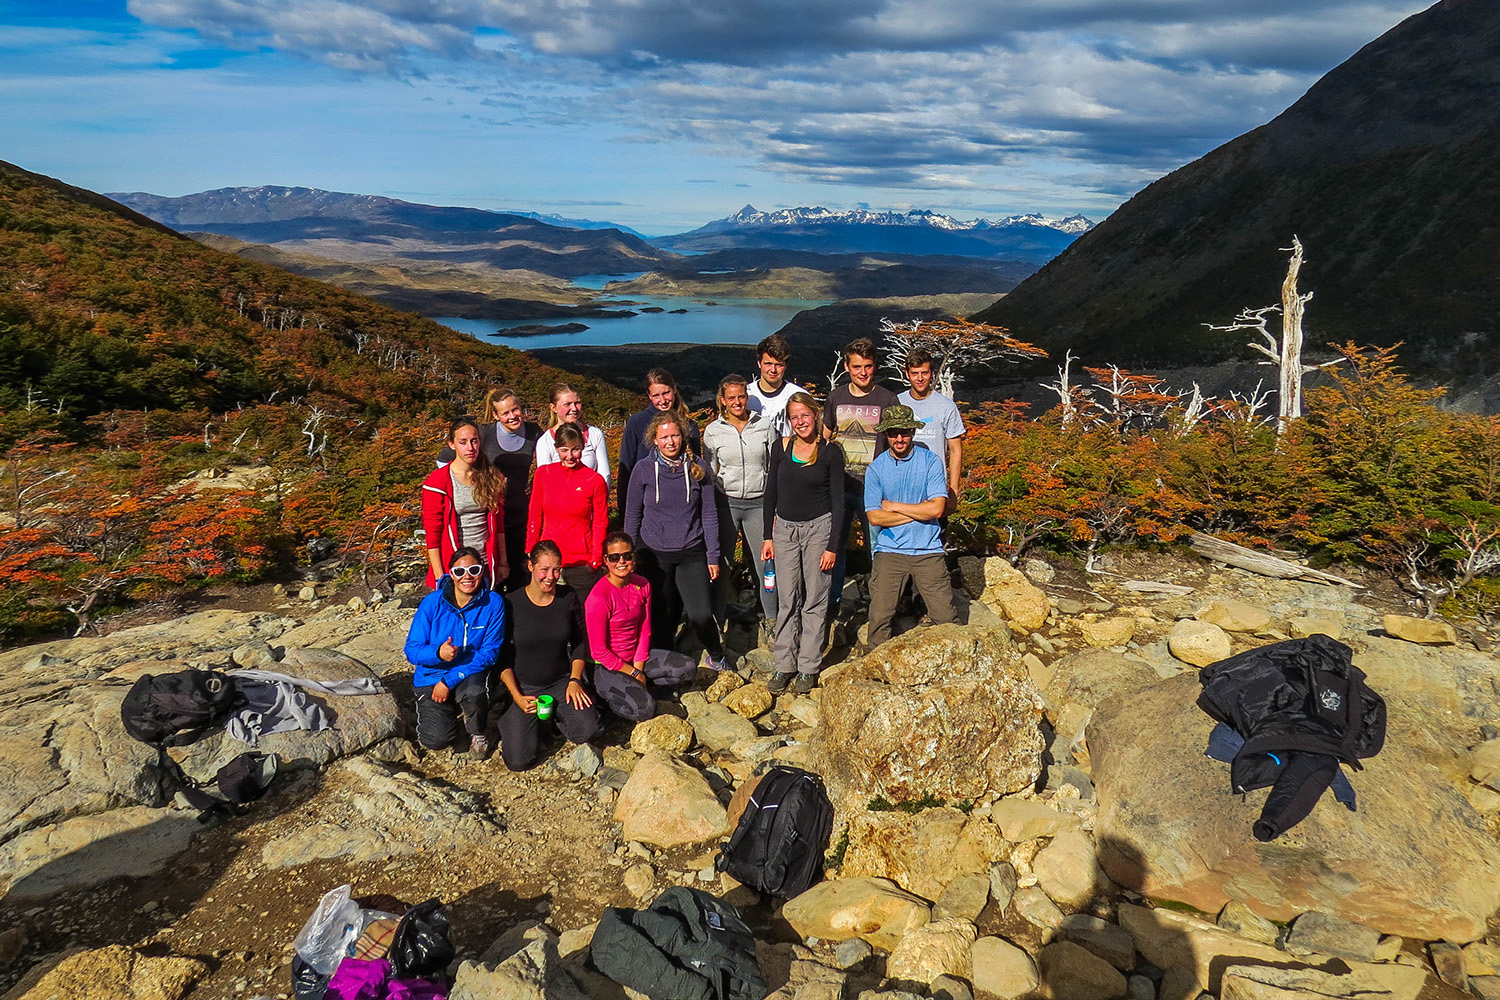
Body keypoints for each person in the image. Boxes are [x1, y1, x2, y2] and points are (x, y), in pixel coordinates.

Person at [623, 412, 729, 671]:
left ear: (683, 436)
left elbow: (709, 514)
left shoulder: (699, 469)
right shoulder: (644, 469)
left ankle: (717, 656)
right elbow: (632, 513)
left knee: (701, 615)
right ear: (654, 440)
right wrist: (629, 554)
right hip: (654, 553)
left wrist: (713, 555)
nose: (670, 441)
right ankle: (668, 667)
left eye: (675, 435)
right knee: (662, 615)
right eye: (664, 437)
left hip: (691, 551)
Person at [761, 393, 844, 693]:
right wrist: (767, 537)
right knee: (787, 598)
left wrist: (832, 545)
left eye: (804, 415)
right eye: (794, 417)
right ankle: (784, 665)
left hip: (818, 530)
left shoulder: (831, 453)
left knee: (815, 599)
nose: (800, 421)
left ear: (815, 414)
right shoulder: (781, 448)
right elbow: (770, 492)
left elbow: (838, 501)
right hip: (783, 530)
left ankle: (808, 666)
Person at [497, 540, 599, 771]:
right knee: (518, 761)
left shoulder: (567, 597)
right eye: (544, 569)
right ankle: (517, 718)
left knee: (587, 731)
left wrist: (575, 680)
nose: (551, 576)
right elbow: (501, 657)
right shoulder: (511, 603)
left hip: (561, 682)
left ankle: (553, 716)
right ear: (530, 566)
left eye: (556, 569)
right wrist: (516, 695)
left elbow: (580, 642)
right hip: (524, 687)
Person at [864, 405, 959, 648]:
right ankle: (874, 670)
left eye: (904, 432)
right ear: (886, 434)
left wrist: (894, 506)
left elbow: (937, 509)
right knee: (879, 617)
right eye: (894, 433)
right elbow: (875, 518)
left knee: (946, 619)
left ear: (912, 432)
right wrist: (920, 510)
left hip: (928, 550)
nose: (899, 438)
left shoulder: (931, 462)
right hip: (890, 550)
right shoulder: (876, 469)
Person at [438, 387, 544, 592]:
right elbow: (444, 458)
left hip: (522, 514)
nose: (513, 416)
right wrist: (467, 485)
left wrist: (537, 477)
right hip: (493, 515)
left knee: (521, 572)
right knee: (493, 576)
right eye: (505, 413)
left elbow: (550, 456)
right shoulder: (485, 433)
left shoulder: (534, 431)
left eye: (515, 409)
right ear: (495, 415)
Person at [586, 532, 699, 721]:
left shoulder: (643, 585)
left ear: (633, 557)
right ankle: (608, 698)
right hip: (608, 666)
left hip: (637, 658)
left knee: (688, 668)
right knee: (645, 710)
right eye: (614, 557)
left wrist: (637, 668)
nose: (621, 561)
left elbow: (644, 630)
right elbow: (598, 651)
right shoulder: (599, 597)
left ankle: (636, 689)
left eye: (627, 556)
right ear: (606, 560)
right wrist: (632, 673)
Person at [404, 547, 506, 756]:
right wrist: (437, 653)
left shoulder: (493, 603)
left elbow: (489, 652)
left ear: (482, 571)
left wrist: (448, 681)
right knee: (436, 740)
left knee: (475, 692)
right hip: (431, 675)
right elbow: (412, 650)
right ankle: (449, 711)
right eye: (459, 572)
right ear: (450, 573)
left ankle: (476, 730)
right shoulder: (432, 603)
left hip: (469, 671)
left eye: (474, 570)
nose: (467, 577)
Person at [823, 337, 899, 612]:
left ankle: (882, 603)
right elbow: (826, 437)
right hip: (840, 486)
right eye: (856, 367)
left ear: (874, 366)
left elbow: (897, 443)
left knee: (878, 548)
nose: (863, 372)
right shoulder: (836, 397)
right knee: (836, 546)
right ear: (846, 366)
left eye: (867, 366)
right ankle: (833, 601)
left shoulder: (888, 399)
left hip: (874, 488)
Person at [703, 374, 777, 639]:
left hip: (759, 502)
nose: (737, 402)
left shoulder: (764, 426)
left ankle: (772, 618)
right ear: (722, 400)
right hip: (727, 503)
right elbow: (710, 473)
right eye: (731, 397)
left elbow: (773, 465)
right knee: (720, 564)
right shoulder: (713, 430)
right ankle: (716, 618)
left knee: (766, 563)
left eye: (741, 396)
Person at [422, 417, 508, 589]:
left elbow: (499, 526)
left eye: (474, 441)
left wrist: (503, 563)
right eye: (463, 442)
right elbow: (433, 534)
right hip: (455, 565)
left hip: (485, 562)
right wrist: (440, 577)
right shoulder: (438, 482)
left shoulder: (492, 477)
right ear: (452, 444)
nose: (470, 447)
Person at [526, 422, 608, 596]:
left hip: (581, 562)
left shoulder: (594, 480)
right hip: (548, 561)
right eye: (564, 450)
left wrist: (595, 559)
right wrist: (531, 549)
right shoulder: (543, 474)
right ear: (556, 449)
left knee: (581, 618)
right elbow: (535, 515)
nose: (570, 456)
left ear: (583, 447)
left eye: (575, 449)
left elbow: (600, 522)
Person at [617, 368, 701, 513]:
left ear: (674, 389)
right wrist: (624, 512)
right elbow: (626, 469)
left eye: (666, 393)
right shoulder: (637, 422)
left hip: (682, 509)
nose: (662, 400)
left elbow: (697, 469)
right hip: (644, 509)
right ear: (649, 396)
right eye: (656, 395)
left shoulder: (690, 426)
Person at [897, 350, 966, 513]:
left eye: (924, 373)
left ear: (932, 374)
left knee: (936, 536)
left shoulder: (947, 406)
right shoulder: (897, 403)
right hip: (901, 486)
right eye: (914, 373)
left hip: (935, 489)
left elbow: (956, 450)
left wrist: (954, 490)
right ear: (907, 374)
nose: (920, 378)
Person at [535, 382, 611, 482]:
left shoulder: (594, 434)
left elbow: (604, 475)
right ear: (553, 408)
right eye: (567, 404)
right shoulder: (545, 442)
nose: (574, 409)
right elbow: (545, 480)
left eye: (577, 403)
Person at [746, 334, 800, 437]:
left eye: (778, 365)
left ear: (785, 366)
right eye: (768, 364)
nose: (773, 370)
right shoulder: (746, 396)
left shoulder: (797, 395)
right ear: (759, 363)